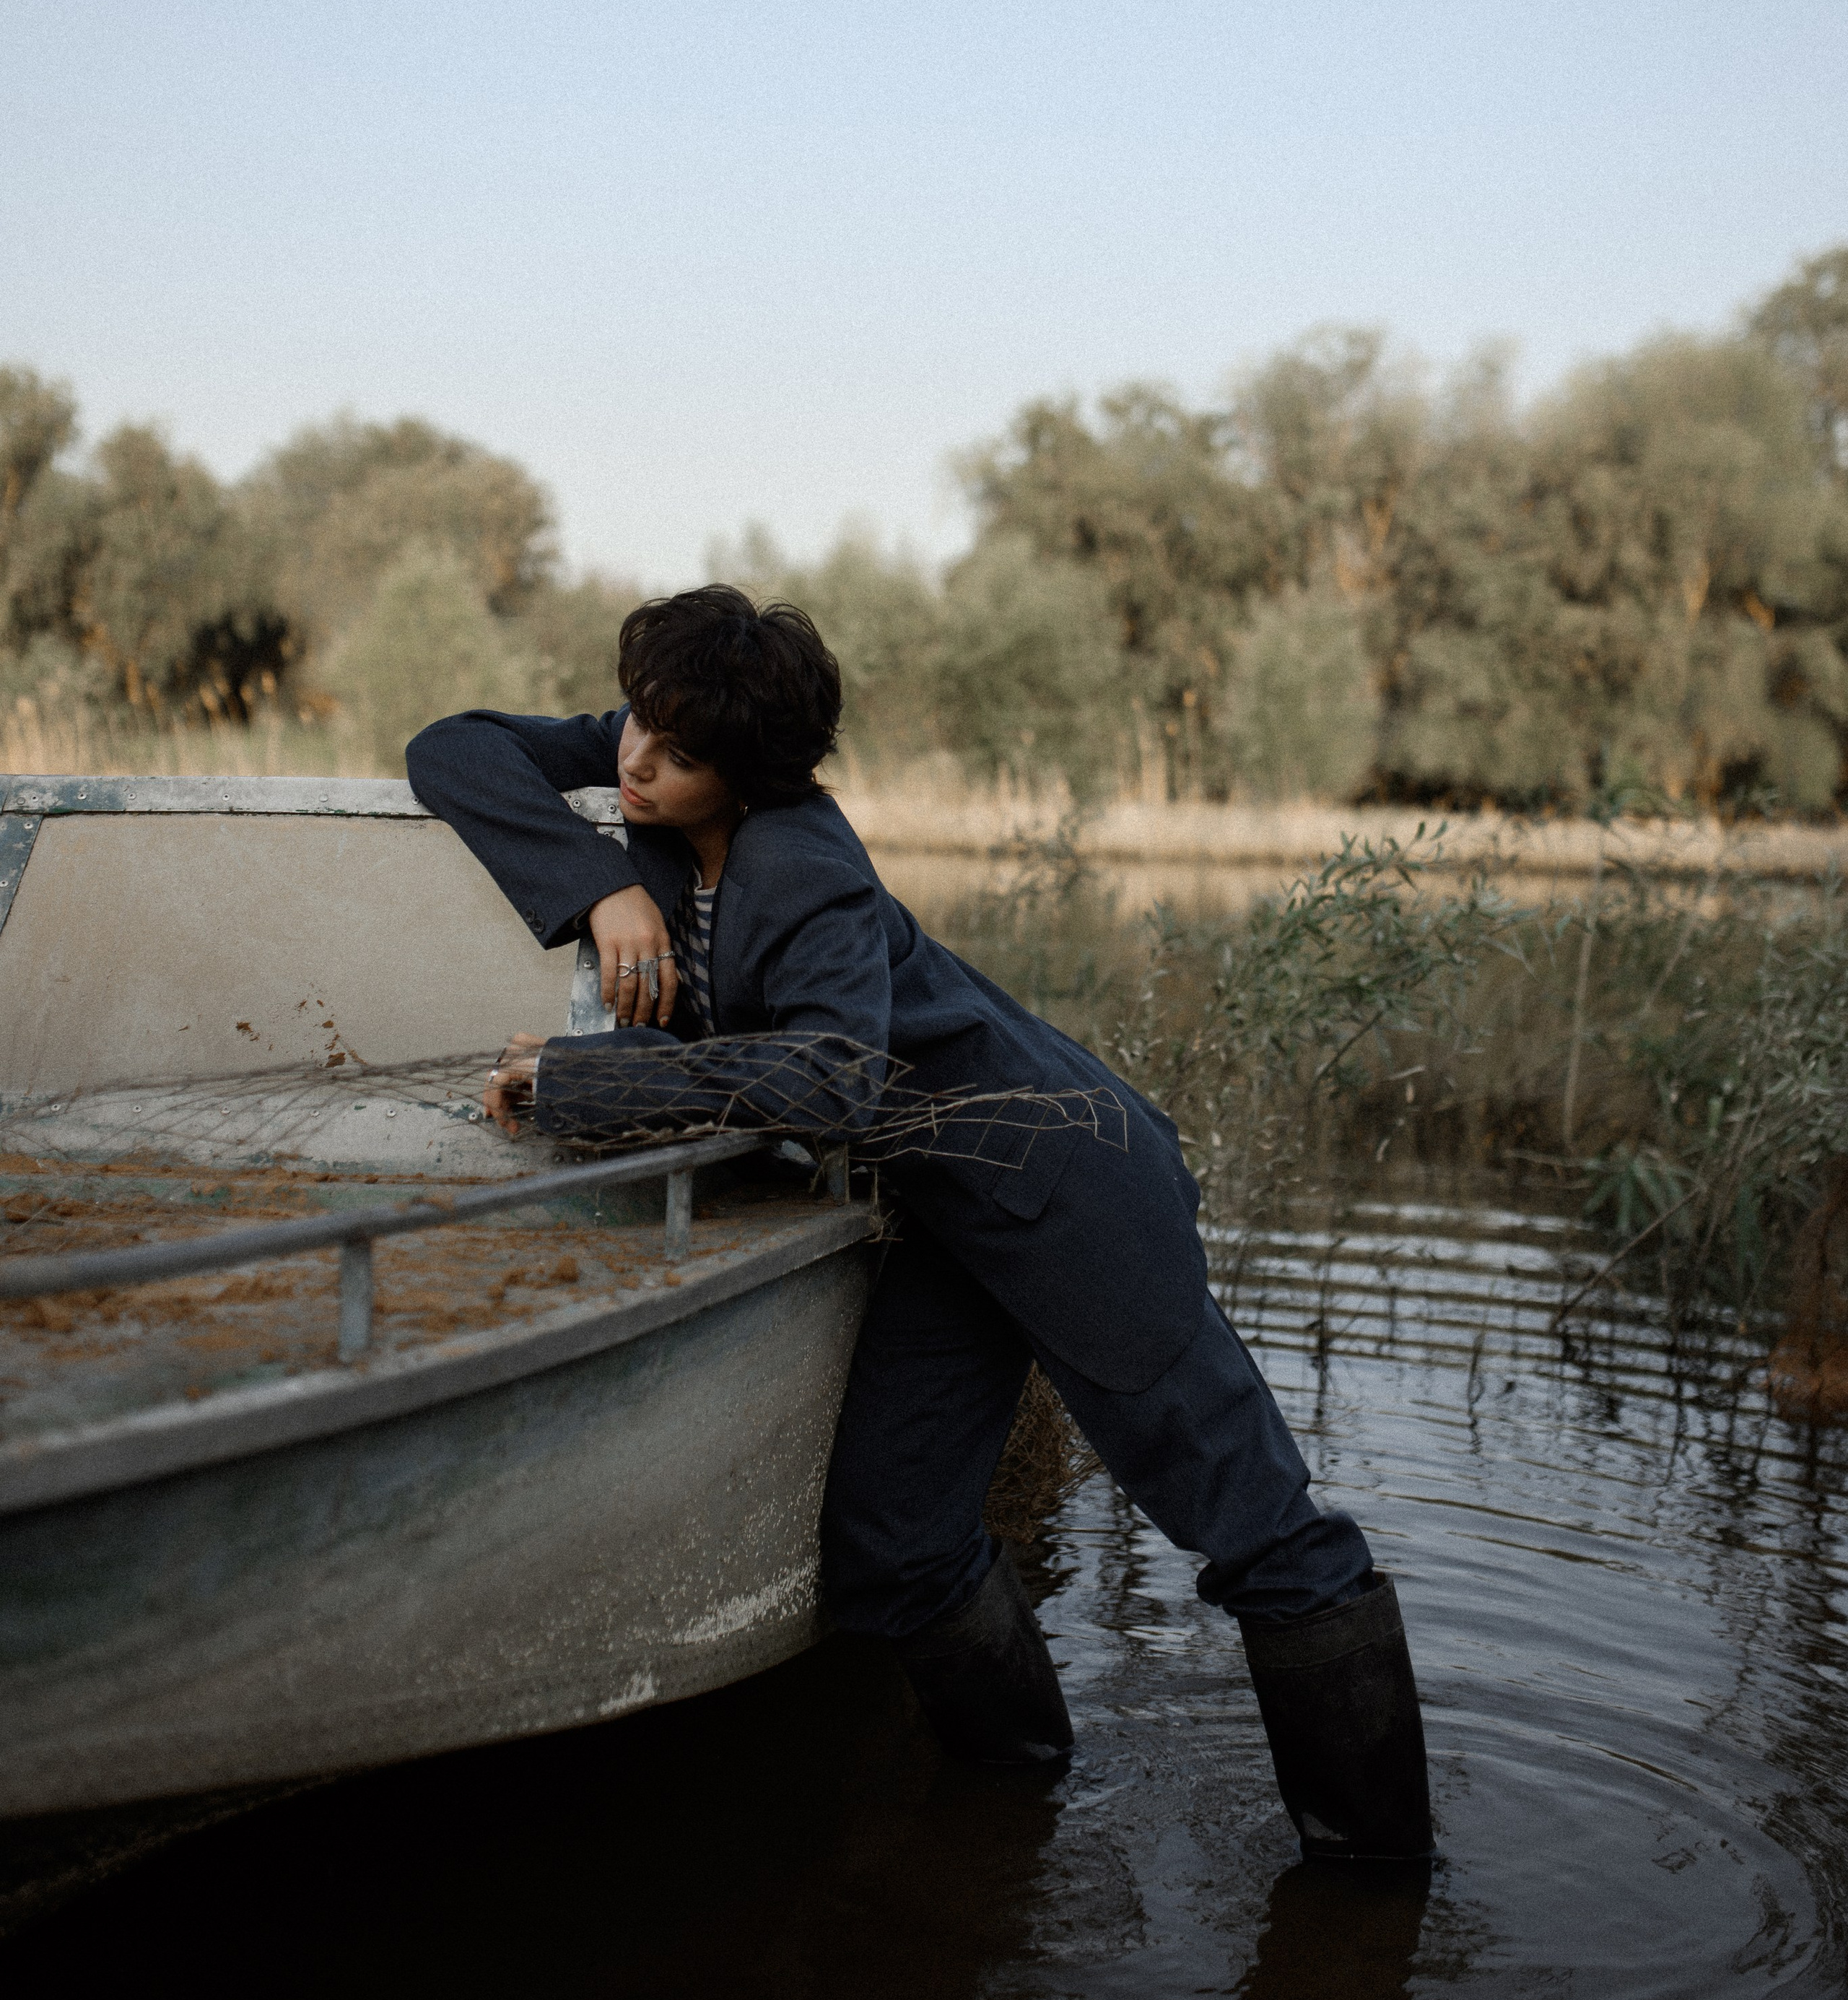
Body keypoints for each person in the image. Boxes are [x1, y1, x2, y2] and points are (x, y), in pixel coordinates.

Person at [407, 585, 1434, 1861]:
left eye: (674, 754)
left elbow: (835, 1078)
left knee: (1259, 1531)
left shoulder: (807, 869)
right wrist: (598, 891)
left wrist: (587, 1081)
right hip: (937, 1207)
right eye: (635, 730)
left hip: (1063, 1186)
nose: (633, 762)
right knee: (892, 1550)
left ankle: (1379, 1888)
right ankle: (1017, 1818)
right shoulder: (662, 760)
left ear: (753, 767)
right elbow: (449, 749)